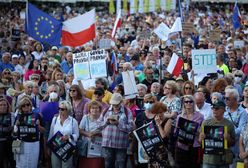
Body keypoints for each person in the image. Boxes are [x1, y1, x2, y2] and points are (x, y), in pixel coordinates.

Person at [98, 93, 134, 168]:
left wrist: (118, 124)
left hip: (121, 144)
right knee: (108, 165)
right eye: (113, 104)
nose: (115, 106)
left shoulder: (127, 111)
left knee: (121, 164)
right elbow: (98, 125)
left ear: (121, 102)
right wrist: (106, 122)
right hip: (107, 143)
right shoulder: (106, 110)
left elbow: (131, 127)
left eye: (116, 105)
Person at [199, 100, 235, 168]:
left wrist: (228, 139)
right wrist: (201, 138)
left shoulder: (229, 124)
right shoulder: (206, 123)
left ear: (224, 110)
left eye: (217, 108)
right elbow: (200, 142)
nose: (214, 110)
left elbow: (233, 143)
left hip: (223, 160)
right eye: (213, 108)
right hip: (209, 160)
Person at [14, 96, 45, 168]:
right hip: (20, 143)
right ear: (20, 107)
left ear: (31, 105)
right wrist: (16, 125)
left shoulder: (37, 115)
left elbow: (44, 130)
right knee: (20, 164)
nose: (26, 106)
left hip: (33, 144)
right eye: (23, 105)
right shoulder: (18, 116)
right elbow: (14, 133)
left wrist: (39, 126)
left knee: (32, 164)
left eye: (28, 104)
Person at [175, 95, 204, 168]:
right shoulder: (179, 117)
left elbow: (201, 132)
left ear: (193, 103)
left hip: (194, 146)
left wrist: (193, 130)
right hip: (181, 146)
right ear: (184, 103)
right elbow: (176, 131)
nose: (188, 103)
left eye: (190, 101)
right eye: (186, 102)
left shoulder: (200, 116)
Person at [48, 100, 79, 168]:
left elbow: (77, 135)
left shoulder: (73, 121)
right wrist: (49, 147)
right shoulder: (55, 119)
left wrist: (69, 137)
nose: (60, 110)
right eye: (59, 108)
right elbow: (51, 133)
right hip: (55, 147)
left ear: (67, 110)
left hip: (67, 148)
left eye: (62, 109)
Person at [223, 88, 248, 168]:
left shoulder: (242, 112)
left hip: (235, 149)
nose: (225, 100)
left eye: (227, 98)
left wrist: (228, 132)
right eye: (225, 98)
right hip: (223, 146)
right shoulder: (224, 110)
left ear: (235, 99)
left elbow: (241, 129)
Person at [150, 102, 172, 168]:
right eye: (157, 113)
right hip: (154, 148)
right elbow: (151, 134)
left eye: (161, 112)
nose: (159, 114)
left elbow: (164, 136)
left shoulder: (168, 120)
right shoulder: (153, 120)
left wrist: (159, 124)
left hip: (164, 149)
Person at [0, 97, 15, 168]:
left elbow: (12, 128)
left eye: (4, 105)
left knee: (11, 161)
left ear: (7, 106)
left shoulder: (11, 115)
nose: (3, 106)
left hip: (9, 141)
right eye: (1, 105)